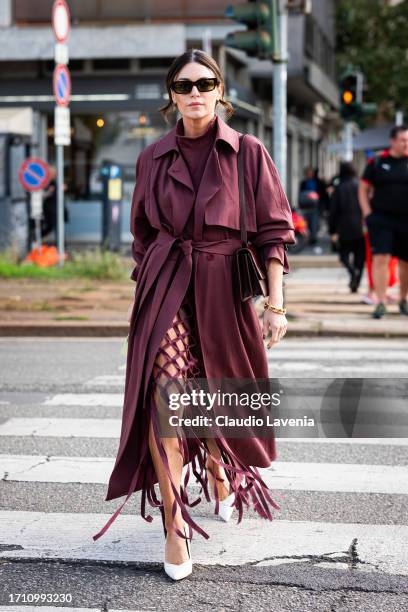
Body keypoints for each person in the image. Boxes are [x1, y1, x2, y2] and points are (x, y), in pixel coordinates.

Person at [92, 49, 295, 580]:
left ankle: (221, 472)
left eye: (206, 83)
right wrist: (157, 273)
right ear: (172, 95)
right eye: (185, 85)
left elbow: (274, 231)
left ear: (220, 91)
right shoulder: (153, 156)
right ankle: (176, 526)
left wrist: (275, 305)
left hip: (224, 291)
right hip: (167, 285)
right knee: (168, 394)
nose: (196, 92)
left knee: (213, 392)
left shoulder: (247, 151)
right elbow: (141, 234)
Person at [359, 125, 408, 318]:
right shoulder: (378, 161)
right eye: (403, 140)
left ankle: (403, 299)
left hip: (406, 220)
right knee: (381, 259)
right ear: (393, 141)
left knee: (405, 263)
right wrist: (367, 213)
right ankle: (380, 302)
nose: (406, 144)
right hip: (381, 219)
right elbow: (363, 188)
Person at [329, 162, 365, 292]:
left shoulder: (339, 188)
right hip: (361, 226)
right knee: (360, 257)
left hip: (343, 227)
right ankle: (356, 281)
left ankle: (352, 272)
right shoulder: (360, 185)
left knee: (344, 255)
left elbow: (333, 211)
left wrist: (332, 230)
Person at [298, 166, 322, 253]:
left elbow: (321, 193)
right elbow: (300, 194)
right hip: (305, 206)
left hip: (315, 206)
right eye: (308, 173)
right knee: (305, 223)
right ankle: (306, 239)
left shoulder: (317, 182)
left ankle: (313, 238)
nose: (309, 174)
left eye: (310, 173)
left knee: (314, 223)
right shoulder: (303, 183)